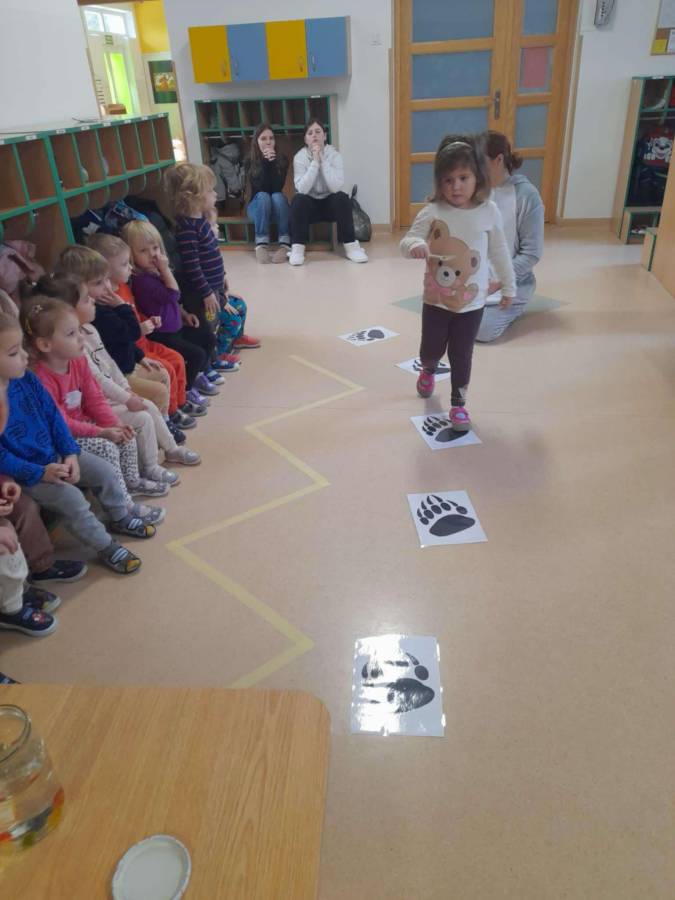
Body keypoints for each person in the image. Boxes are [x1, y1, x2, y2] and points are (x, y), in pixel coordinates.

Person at [0, 312, 143, 576]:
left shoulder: (27, 379)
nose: (25, 356)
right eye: (13, 353)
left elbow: (54, 418)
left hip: (56, 454)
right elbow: (2, 456)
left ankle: (120, 516)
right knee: (72, 499)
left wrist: (70, 453)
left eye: (21, 348)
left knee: (104, 471)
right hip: (29, 474)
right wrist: (40, 472)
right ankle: (106, 546)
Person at [400, 135, 516, 432]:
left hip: (471, 303)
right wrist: (415, 245)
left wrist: (508, 285)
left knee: (462, 355)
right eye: (448, 180)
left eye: (463, 178)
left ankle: (458, 404)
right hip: (436, 301)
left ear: (478, 177)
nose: (456, 187)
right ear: (439, 182)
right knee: (430, 349)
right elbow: (407, 240)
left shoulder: (488, 211)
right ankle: (428, 369)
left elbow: (500, 251)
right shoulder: (433, 211)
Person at [23, 298, 166, 524]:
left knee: (125, 434)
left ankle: (130, 485)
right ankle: (122, 508)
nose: (81, 338)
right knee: (107, 447)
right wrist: (101, 432)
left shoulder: (78, 361)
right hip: (61, 438)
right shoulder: (40, 377)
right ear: (45, 345)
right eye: (71, 334)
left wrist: (114, 425)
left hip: (84, 425)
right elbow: (60, 422)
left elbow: (94, 399)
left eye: (79, 331)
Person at [164, 163, 260, 362]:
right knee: (216, 324)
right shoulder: (188, 229)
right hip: (203, 295)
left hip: (215, 288)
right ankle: (217, 356)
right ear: (194, 197)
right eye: (210, 190)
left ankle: (236, 339)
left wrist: (222, 278)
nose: (215, 194)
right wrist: (207, 293)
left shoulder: (202, 221)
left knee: (239, 306)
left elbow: (212, 255)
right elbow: (193, 266)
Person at [123, 219, 216, 410]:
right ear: (131, 256)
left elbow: (171, 301)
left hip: (176, 327)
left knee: (207, 337)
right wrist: (165, 269)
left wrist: (183, 314)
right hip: (163, 334)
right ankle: (186, 390)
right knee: (196, 355)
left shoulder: (154, 272)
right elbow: (173, 294)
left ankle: (197, 375)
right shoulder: (143, 281)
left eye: (155, 248)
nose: (152, 254)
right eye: (143, 251)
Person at [477, 131, 545, 342]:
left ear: (499, 160)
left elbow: (531, 254)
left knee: (480, 330)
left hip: (512, 281)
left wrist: (500, 280)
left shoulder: (527, 195)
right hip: (478, 278)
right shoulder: (476, 189)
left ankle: (516, 305)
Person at [289, 119, 368, 266]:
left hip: (330, 204)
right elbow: (302, 189)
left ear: (324, 136)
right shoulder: (299, 157)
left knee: (342, 198)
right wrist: (314, 163)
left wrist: (323, 161)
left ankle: (352, 247)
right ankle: (297, 249)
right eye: (310, 133)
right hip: (310, 205)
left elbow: (335, 187)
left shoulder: (335, 155)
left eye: (318, 132)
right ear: (305, 139)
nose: (314, 135)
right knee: (298, 200)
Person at [246, 123, 291, 264]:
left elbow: (277, 187)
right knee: (263, 196)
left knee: (277, 196)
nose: (268, 142)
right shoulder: (249, 161)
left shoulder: (282, 159)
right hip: (258, 207)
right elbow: (260, 187)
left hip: (276, 207)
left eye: (271, 138)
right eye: (263, 138)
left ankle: (285, 244)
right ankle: (261, 244)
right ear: (257, 141)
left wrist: (272, 164)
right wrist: (265, 164)